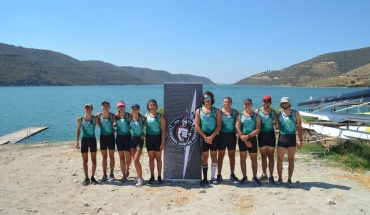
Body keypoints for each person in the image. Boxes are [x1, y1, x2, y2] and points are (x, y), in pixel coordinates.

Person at [195, 91, 222, 186]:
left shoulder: (216, 111)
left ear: (212, 99)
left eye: (209, 98)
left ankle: (213, 177)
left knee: (214, 156)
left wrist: (212, 137)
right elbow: (197, 125)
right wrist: (205, 137)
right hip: (203, 137)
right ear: (203, 100)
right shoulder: (198, 111)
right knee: (205, 157)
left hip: (214, 136)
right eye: (205, 98)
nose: (207, 100)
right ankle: (205, 178)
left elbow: (219, 126)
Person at [276, 97, 303, 185]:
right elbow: (275, 123)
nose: (284, 105)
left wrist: (300, 139)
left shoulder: (295, 113)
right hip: (282, 138)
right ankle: (280, 178)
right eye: (283, 103)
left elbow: (299, 127)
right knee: (280, 159)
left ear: (289, 104)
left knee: (291, 159)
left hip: (291, 138)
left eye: (286, 103)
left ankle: (289, 179)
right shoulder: (279, 113)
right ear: (281, 104)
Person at [235, 98, 262, 186]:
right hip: (242, 138)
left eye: (248, 104)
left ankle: (254, 177)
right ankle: (244, 177)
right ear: (243, 105)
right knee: (243, 158)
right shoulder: (240, 115)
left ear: (251, 105)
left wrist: (248, 136)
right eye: (245, 104)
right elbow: (237, 127)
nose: (247, 106)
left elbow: (258, 129)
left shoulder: (256, 116)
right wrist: (244, 138)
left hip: (252, 138)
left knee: (253, 159)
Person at [254, 95, 278, 184]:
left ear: (270, 102)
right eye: (264, 101)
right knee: (263, 156)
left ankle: (271, 175)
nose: (266, 103)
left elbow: (277, 122)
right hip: (261, 136)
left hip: (271, 135)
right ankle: (264, 174)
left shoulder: (273, 112)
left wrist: (271, 122)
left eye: (268, 101)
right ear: (262, 102)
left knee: (271, 156)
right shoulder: (258, 111)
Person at [217, 97, 240, 183]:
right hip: (222, 136)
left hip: (232, 136)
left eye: (228, 102)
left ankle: (232, 174)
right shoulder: (219, 112)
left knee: (232, 156)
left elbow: (238, 124)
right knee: (221, 156)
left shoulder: (235, 112)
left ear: (231, 103)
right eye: (225, 102)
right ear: (223, 103)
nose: (227, 103)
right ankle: (219, 175)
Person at [76, 104, 99, 186]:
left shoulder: (95, 118)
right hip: (84, 140)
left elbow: (101, 126)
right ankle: (86, 178)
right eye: (87, 108)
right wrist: (77, 141)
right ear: (84, 109)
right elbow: (78, 130)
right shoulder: (81, 119)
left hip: (92, 140)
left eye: (90, 108)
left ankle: (92, 177)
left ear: (92, 109)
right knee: (85, 161)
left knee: (94, 160)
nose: (88, 110)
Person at [145, 99, 166, 184]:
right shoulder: (146, 115)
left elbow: (164, 131)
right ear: (148, 106)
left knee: (158, 159)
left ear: (156, 106)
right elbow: (139, 124)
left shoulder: (160, 116)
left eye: (154, 105)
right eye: (150, 105)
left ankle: (159, 177)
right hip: (149, 139)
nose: (152, 106)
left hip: (158, 139)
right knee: (151, 159)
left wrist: (162, 143)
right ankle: (152, 176)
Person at [96, 101, 116, 182]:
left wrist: (113, 128)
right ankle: (104, 174)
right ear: (102, 107)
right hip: (103, 138)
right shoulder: (98, 115)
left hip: (111, 138)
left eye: (107, 106)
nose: (105, 107)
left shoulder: (113, 115)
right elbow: (96, 122)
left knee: (111, 156)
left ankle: (111, 174)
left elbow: (119, 122)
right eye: (104, 106)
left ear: (109, 107)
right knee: (104, 157)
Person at [129, 103, 146, 186]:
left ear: (139, 110)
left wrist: (145, 134)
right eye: (133, 109)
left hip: (140, 140)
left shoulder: (142, 118)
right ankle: (139, 177)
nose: (134, 111)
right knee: (135, 160)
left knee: (136, 159)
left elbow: (148, 127)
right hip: (132, 139)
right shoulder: (129, 118)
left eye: (136, 109)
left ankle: (140, 179)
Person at [114, 101, 131, 183]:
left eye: (122, 106)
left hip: (127, 137)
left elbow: (135, 123)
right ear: (117, 107)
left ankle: (127, 168)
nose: (121, 107)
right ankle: (124, 175)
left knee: (128, 157)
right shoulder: (115, 116)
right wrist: (114, 129)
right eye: (119, 106)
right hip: (119, 138)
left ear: (124, 106)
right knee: (121, 157)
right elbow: (112, 124)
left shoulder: (129, 115)